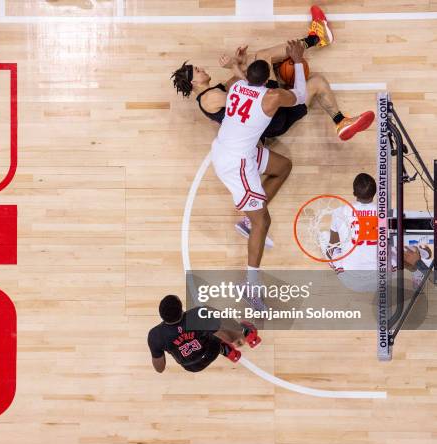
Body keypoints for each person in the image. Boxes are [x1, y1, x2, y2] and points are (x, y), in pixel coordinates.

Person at [170, 5, 374, 142]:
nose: (202, 69)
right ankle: (316, 38)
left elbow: (239, 82)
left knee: (318, 82)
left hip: (271, 122)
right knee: (263, 56)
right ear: (194, 83)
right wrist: (235, 66)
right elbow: (246, 96)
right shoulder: (210, 98)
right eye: (198, 71)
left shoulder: (213, 93)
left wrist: (240, 62)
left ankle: (340, 121)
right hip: (269, 115)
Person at [206, 40, 308, 310]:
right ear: (268, 80)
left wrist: (237, 67)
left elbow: (246, 81)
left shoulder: (237, 86)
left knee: (282, 166)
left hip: (238, 151)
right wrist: (297, 61)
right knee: (264, 221)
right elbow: (301, 94)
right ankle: (251, 285)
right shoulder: (272, 96)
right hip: (236, 163)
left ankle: (249, 222)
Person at [326, 173, 432, 291]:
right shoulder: (388, 213)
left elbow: (332, 246)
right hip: (382, 278)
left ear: (354, 193)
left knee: (327, 241)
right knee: (403, 245)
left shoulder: (339, 212)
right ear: (375, 192)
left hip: (349, 280)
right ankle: (417, 269)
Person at [147, 295, 259, 373]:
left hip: (191, 366)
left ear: (161, 316)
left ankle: (226, 351)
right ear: (181, 310)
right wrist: (236, 339)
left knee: (208, 327)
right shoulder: (196, 315)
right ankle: (246, 333)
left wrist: (159, 346)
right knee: (212, 318)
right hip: (211, 351)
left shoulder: (155, 335)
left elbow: (160, 369)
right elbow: (228, 338)